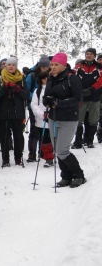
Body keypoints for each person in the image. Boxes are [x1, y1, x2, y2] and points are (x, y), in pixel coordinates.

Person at [43, 52, 86, 188]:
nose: (53, 67)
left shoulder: (72, 78)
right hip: (53, 118)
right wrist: (47, 101)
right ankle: (66, 177)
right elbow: (46, 97)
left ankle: (79, 175)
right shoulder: (51, 78)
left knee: (62, 150)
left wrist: (58, 102)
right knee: (57, 149)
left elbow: (77, 98)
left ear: (63, 65)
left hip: (69, 118)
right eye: (52, 65)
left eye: (56, 65)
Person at [0, 57, 29, 167]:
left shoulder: (21, 79)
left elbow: (26, 95)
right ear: (5, 66)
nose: (10, 66)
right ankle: (5, 159)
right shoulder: (0, 78)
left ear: (16, 66)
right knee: (4, 137)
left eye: (13, 65)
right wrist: (4, 87)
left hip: (17, 112)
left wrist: (17, 89)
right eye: (9, 64)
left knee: (18, 136)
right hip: (3, 112)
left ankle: (18, 158)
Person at [72, 48, 102, 148]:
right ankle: (78, 142)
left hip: (94, 96)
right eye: (87, 54)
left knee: (93, 120)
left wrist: (92, 89)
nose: (88, 55)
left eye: (90, 54)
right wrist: (78, 90)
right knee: (79, 119)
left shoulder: (99, 67)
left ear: (94, 55)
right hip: (81, 96)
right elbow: (73, 76)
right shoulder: (80, 65)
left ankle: (89, 141)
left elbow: (101, 80)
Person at [26, 55, 51, 162]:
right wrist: (37, 97)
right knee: (34, 130)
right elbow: (26, 91)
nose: (45, 68)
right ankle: (32, 153)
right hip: (34, 106)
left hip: (48, 108)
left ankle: (43, 152)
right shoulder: (32, 76)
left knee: (45, 130)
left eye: (46, 67)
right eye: (43, 67)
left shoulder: (51, 75)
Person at [30, 71, 54, 167]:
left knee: (56, 139)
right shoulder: (37, 91)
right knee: (45, 140)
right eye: (44, 78)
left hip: (55, 119)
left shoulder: (55, 89)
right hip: (42, 120)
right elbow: (34, 105)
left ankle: (58, 156)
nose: (46, 80)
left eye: (48, 78)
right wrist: (43, 114)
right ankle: (48, 159)